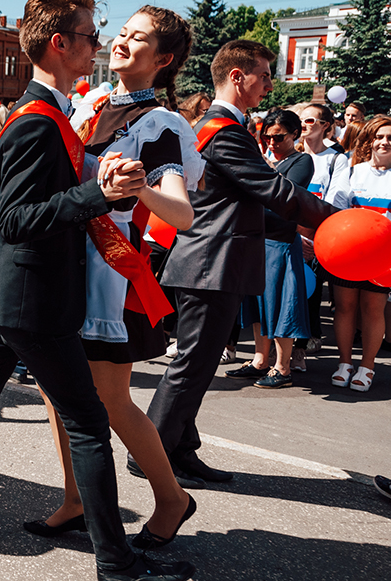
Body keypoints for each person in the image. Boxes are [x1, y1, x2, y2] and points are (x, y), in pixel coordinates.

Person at [0, 0, 196, 581]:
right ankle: (117, 562)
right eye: (93, 35)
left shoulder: (64, 111)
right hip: (33, 297)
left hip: (23, 291)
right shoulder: (44, 120)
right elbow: (16, 219)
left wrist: (117, 192)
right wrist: (100, 192)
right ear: (61, 44)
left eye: (126, 35)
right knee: (87, 421)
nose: (104, 42)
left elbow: (176, 210)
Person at [28, 5, 200, 550]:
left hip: (112, 276)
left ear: (163, 59)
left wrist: (138, 189)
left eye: (138, 37)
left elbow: (180, 212)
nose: (121, 41)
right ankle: (76, 499)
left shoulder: (159, 127)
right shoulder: (91, 105)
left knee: (110, 399)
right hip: (68, 267)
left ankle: (172, 498)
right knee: (55, 393)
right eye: (121, 32)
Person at [147, 40, 336, 484]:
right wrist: (340, 220)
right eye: (264, 76)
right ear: (237, 76)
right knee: (192, 365)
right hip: (211, 263)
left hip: (216, 262)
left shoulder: (223, 127)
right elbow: (276, 192)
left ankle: (179, 448)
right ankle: (152, 453)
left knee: (198, 365)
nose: (270, 85)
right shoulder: (224, 131)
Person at [225, 110, 313, 389]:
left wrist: (261, 169)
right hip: (258, 240)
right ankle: (260, 360)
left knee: (282, 304)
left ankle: (282, 367)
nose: (271, 142)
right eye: (266, 137)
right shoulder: (269, 162)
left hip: (281, 242)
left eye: (278, 137)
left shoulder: (301, 160)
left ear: (295, 134)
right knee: (258, 303)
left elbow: (285, 196)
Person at [325, 115, 391, 393]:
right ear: (370, 140)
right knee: (345, 307)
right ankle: (344, 363)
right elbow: (338, 208)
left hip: (382, 257)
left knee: (373, 309)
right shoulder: (354, 171)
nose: (384, 142)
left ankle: (367, 366)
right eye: (379, 136)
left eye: (390, 138)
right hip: (350, 254)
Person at [297, 103, 350, 356]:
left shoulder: (336, 160)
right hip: (291, 234)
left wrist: (313, 235)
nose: (303, 126)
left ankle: (308, 337)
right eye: (300, 121)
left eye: (309, 121)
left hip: (319, 237)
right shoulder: (289, 155)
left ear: (325, 126)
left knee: (312, 291)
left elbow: (336, 202)